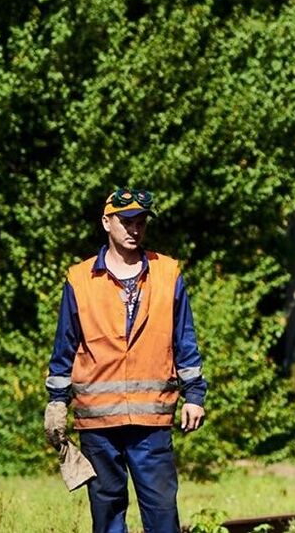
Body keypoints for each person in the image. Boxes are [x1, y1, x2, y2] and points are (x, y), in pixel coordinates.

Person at [45, 189, 207, 533]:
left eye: (140, 222)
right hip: (98, 421)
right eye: (126, 221)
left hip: (151, 419)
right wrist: (56, 403)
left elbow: (184, 340)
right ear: (107, 222)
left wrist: (195, 396)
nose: (134, 229)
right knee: (107, 515)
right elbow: (65, 347)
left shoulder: (168, 273)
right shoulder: (79, 279)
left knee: (162, 511)